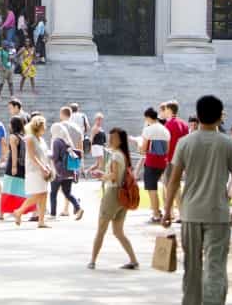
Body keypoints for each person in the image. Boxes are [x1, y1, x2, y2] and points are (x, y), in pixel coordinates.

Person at [162, 95, 232, 305]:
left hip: (190, 211)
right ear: (220, 116)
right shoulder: (228, 143)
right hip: (218, 212)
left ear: (198, 116)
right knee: (215, 266)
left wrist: (167, 210)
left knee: (192, 267)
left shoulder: (184, 142)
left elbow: (174, 180)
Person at [88, 127, 139, 269]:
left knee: (101, 229)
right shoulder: (122, 155)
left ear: (120, 140)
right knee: (118, 231)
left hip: (113, 194)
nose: (110, 140)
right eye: (109, 137)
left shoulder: (116, 155)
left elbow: (114, 176)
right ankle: (133, 260)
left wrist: (102, 176)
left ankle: (92, 260)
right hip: (123, 196)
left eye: (113, 138)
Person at [13, 115, 53, 228]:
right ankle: (19, 211)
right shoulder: (30, 138)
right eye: (43, 125)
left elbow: (44, 155)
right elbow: (32, 156)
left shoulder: (42, 139)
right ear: (38, 126)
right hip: (34, 170)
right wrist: (42, 167)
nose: (45, 128)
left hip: (43, 170)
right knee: (39, 194)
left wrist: (47, 166)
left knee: (44, 194)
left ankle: (41, 221)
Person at [0, 115, 34, 220]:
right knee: (21, 191)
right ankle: (27, 211)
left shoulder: (13, 137)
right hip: (23, 167)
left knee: (7, 190)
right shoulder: (24, 136)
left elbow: (14, 153)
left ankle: (1, 213)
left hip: (14, 166)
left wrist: (13, 167)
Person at [159, 100, 189, 222]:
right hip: (181, 160)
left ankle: (173, 213)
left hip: (170, 160)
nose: (164, 112)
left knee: (170, 187)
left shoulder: (168, 125)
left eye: (165, 110)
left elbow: (166, 145)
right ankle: (175, 212)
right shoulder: (184, 124)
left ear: (170, 110)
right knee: (176, 187)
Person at [140, 107, 171, 223]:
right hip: (162, 162)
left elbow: (143, 149)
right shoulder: (165, 130)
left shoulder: (148, 130)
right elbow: (167, 149)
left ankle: (156, 214)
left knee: (152, 189)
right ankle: (160, 211)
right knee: (160, 188)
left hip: (151, 162)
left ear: (148, 117)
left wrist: (142, 148)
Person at [50, 121, 83, 220]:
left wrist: (48, 155)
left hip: (58, 171)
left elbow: (55, 158)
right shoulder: (68, 142)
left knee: (53, 193)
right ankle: (78, 207)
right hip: (69, 171)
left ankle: (52, 214)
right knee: (67, 192)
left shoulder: (56, 141)